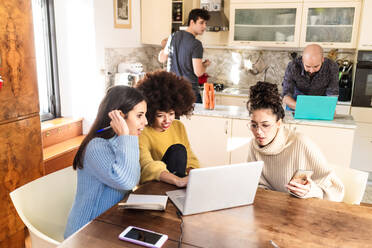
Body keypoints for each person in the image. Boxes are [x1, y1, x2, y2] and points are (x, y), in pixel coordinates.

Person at [64, 86, 147, 238]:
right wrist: (126, 137)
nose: (145, 122)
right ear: (120, 116)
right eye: (140, 116)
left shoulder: (120, 142)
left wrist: (126, 138)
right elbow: (127, 181)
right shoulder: (97, 146)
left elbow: (135, 177)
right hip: (86, 233)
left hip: (109, 224)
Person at [246, 81, 344, 201]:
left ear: (278, 123)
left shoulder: (300, 143)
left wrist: (311, 190)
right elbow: (256, 184)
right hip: (271, 210)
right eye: (254, 125)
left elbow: (337, 190)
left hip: (302, 212)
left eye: (265, 125)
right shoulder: (254, 145)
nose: (258, 132)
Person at [136, 70, 199, 187]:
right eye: (160, 115)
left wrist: (193, 176)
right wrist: (177, 180)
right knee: (177, 150)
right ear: (149, 112)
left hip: (179, 184)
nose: (167, 120)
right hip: (154, 186)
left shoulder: (178, 126)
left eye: (171, 114)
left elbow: (190, 157)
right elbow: (146, 165)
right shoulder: (142, 132)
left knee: (180, 151)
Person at [158, 8, 211, 103]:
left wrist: (165, 46)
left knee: (175, 118)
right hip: (189, 93)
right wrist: (205, 65)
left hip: (172, 91)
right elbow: (198, 72)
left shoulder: (173, 36)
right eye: (201, 23)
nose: (204, 26)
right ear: (192, 22)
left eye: (206, 23)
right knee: (197, 118)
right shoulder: (196, 44)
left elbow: (161, 59)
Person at [282, 44, 339, 110]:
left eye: (316, 66)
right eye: (308, 66)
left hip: (320, 102)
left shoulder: (331, 66)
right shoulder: (293, 66)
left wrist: (329, 108)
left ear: (322, 60)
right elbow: (286, 96)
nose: (311, 70)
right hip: (295, 102)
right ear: (302, 60)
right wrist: (305, 108)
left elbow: (332, 95)